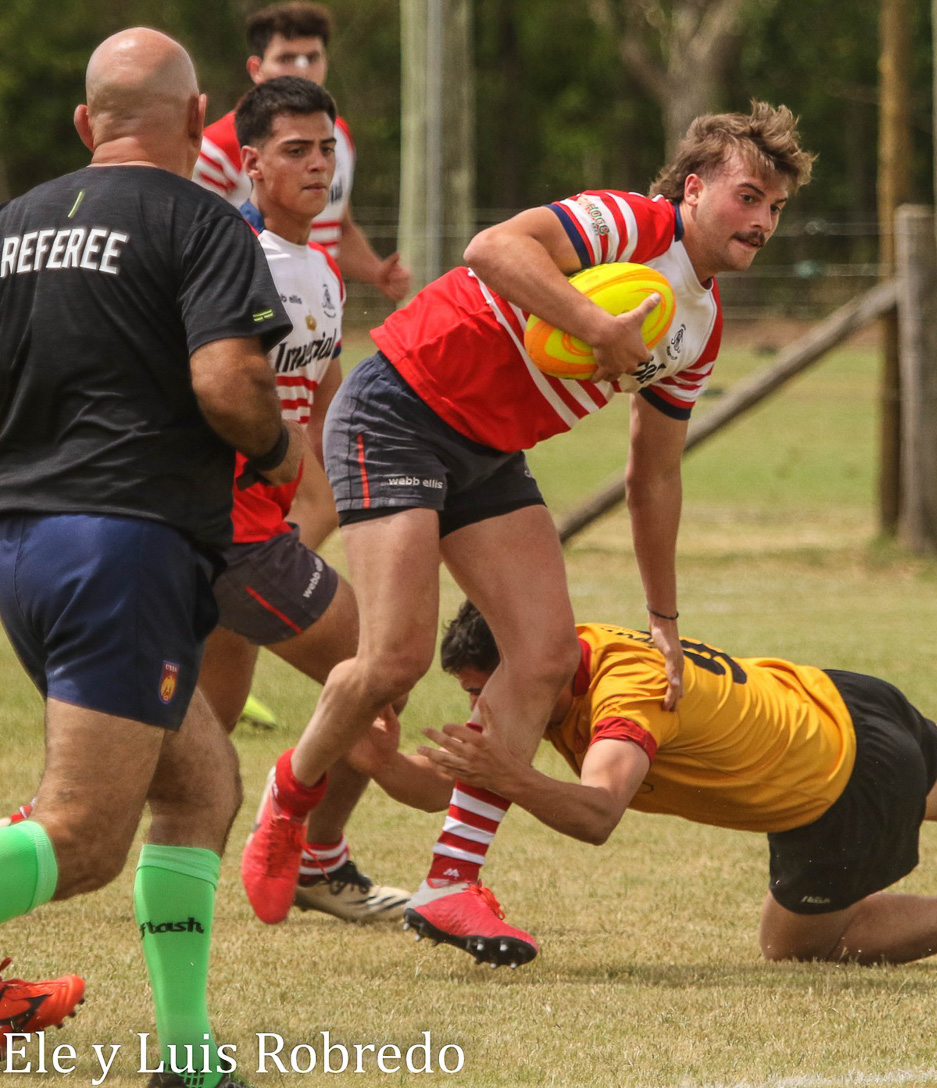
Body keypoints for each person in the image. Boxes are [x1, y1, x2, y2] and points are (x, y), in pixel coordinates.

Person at [240, 104, 813, 965]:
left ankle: (450, 885)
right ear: (695, 190)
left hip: (488, 453)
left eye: (775, 208)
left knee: (546, 657)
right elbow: (492, 249)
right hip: (398, 407)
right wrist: (596, 328)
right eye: (749, 197)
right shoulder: (632, 222)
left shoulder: (702, 326)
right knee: (393, 658)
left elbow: (653, 475)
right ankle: (289, 798)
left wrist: (664, 618)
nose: (763, 221)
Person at [0, 27, 302, 1088]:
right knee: (85, 839)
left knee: (201, 779)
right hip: (122, 545)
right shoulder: (199, 218)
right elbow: (229, 381)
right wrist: (277, 446)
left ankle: (188, 1056)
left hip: (28, 549)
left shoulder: (12, 226)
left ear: (87, 124)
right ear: (196, 116)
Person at [346, 602, 937, 966]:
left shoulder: (627, 693)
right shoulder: (550, 647)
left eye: (479, 694)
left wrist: (509, 772)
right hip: (842, 703)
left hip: (840, 786)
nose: (481, 710)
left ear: (521, 672)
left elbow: (600, 812)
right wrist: (388, 766)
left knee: (797, 945)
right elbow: (457, 784)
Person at [195, 74, 409, 924]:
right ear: (249, 163)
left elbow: (315, 413)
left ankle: (49, 830)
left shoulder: (323, 272)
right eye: (295, 151)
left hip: (261, 533)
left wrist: (323, 511)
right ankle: (314, 854)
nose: (318, 164)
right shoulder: (220, 257)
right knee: (381, 671)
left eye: (326, 149)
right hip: (224, 534)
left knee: (193, 738)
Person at [193, 2, 411, 302]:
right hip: (248, 315)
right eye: (286, 58)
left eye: (312, 57)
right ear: (256, 68)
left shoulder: (339, 137)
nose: (302, 69)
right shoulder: (216, 147)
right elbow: (194, 248)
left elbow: (338, 227)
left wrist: (377, 271)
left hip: (318, 310)